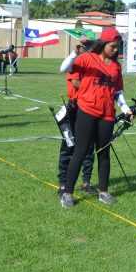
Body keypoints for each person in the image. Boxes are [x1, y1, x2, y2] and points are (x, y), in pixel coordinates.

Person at [58, 27, 134, 208]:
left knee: (104, 153)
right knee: (81, 151)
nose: (116, 50)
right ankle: (67, 193)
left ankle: (103, 191)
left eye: (118, 47)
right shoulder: (87, 58)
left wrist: (125, 108)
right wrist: (73, 54)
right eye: (113, 47)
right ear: (103, 44)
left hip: (107, 114)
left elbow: (118, 91)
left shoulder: (116, 66)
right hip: (87, 110)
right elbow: (64, 69)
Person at [57, 38, 96, 196]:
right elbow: (74, 81)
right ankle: (63, 183)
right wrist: (75, 52)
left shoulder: (94, 63)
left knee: (88, 147)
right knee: (68, 145)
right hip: (75, 107)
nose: (89, 50)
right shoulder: (77, 62)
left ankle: (86, 182)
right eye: (85, 47)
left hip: (90, 108)